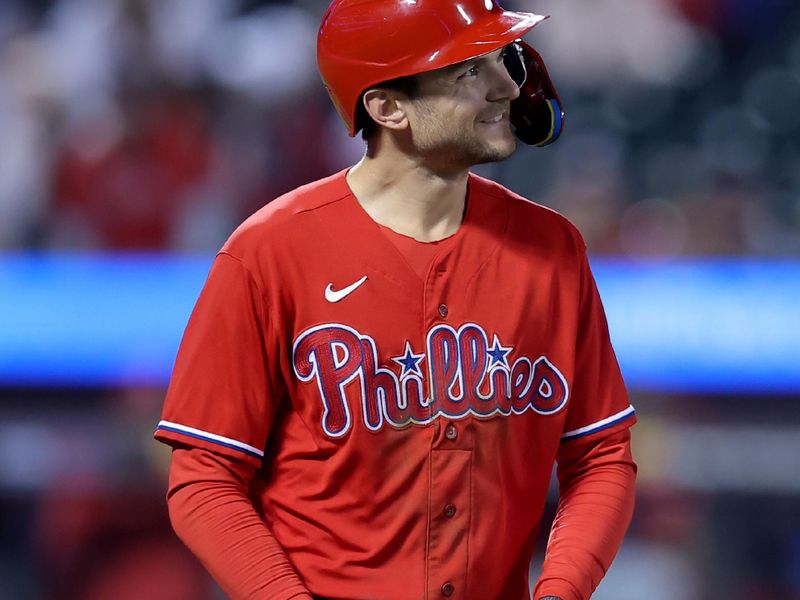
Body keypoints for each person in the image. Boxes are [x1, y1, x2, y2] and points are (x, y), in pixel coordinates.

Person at [154, 0, 638, 598]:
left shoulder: (552, 249)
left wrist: (560, 590)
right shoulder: (269, 253)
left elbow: (600, 455)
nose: (508, 87)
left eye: (501, 60)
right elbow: (204, 479)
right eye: (467, 71)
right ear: (386, 106)